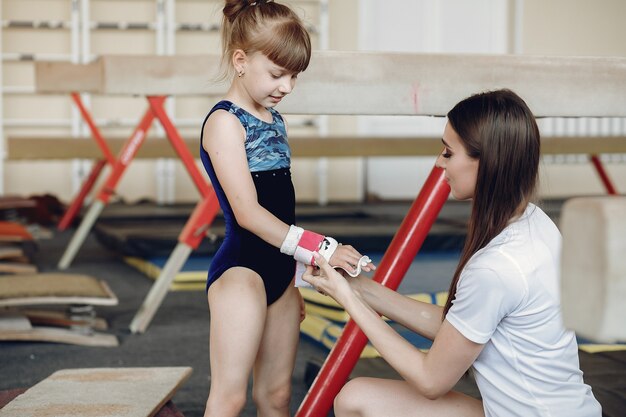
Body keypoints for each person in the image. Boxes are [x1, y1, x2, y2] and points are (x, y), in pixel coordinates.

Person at [303, 89, 602, 417]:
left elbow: (430, 379)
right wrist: (360, 287)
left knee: (358, 399)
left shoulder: (496, 267)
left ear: (486, 162)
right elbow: (458, 327)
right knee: (357, 396)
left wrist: (347, 300)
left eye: (448, 153)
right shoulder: (534, 220)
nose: (438, 162)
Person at [199, 1, 374, 416]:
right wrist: (320, 248)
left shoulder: (275, 119)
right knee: (231, 397)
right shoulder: (225, 122)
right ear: (240, 61)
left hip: (280, 272)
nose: (288, 86)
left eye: (294, 75)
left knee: (276, 397)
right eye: (278, 74)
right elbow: (249, 214)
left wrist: (294, 274)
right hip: (241, 272)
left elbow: (283, 211)